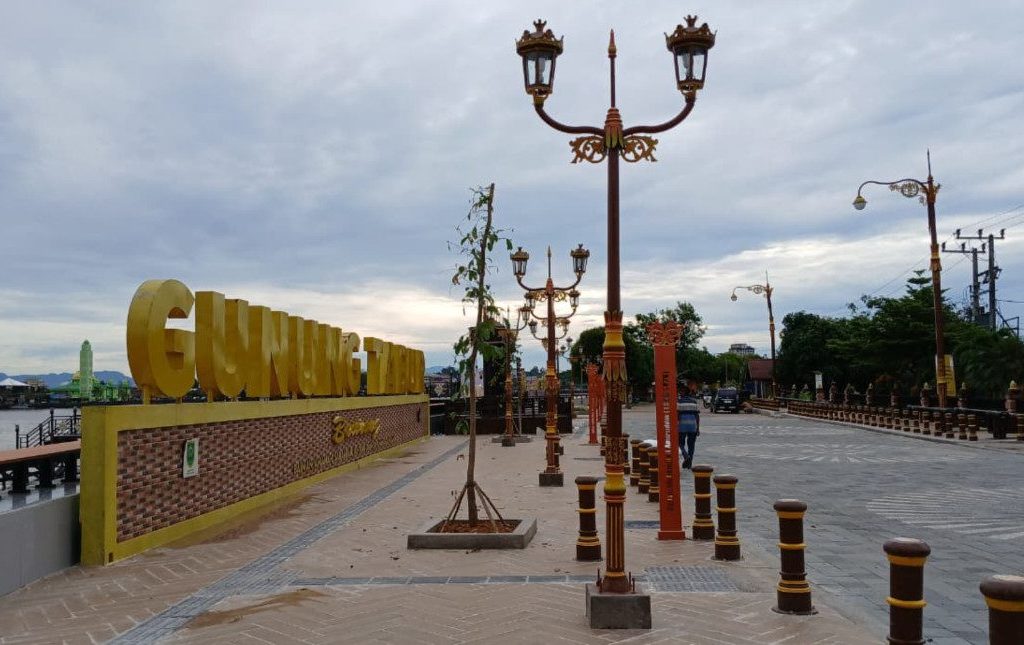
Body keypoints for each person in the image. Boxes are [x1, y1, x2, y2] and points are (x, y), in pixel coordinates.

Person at [677, 397, 700, 469]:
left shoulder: (679, 402)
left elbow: (677, 415)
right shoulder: (694, 402)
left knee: (680, 444)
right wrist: (698, 428)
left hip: (682, 427)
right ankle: (689, 464)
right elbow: (697, 416)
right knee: (691, 446)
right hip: (693, 426)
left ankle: (686, 456)